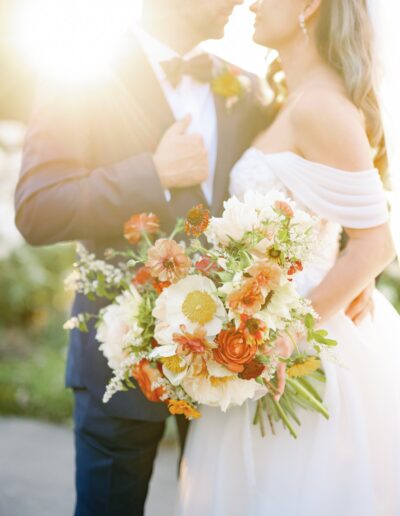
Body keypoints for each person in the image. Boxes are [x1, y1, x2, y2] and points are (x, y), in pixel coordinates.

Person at [14, 1, 267, 514]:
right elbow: (37, 209)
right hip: (120, 358)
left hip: (227, 365)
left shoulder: (246, 88)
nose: (239, 3)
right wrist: (150, 175)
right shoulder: (81, 74)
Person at [175, 1, 400, 515]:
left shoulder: (322, 105)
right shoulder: (290, 100)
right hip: (258, 339)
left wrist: (284, 341)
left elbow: (376, 242)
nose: (251, 3)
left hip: (303, 352)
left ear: (309, 5)